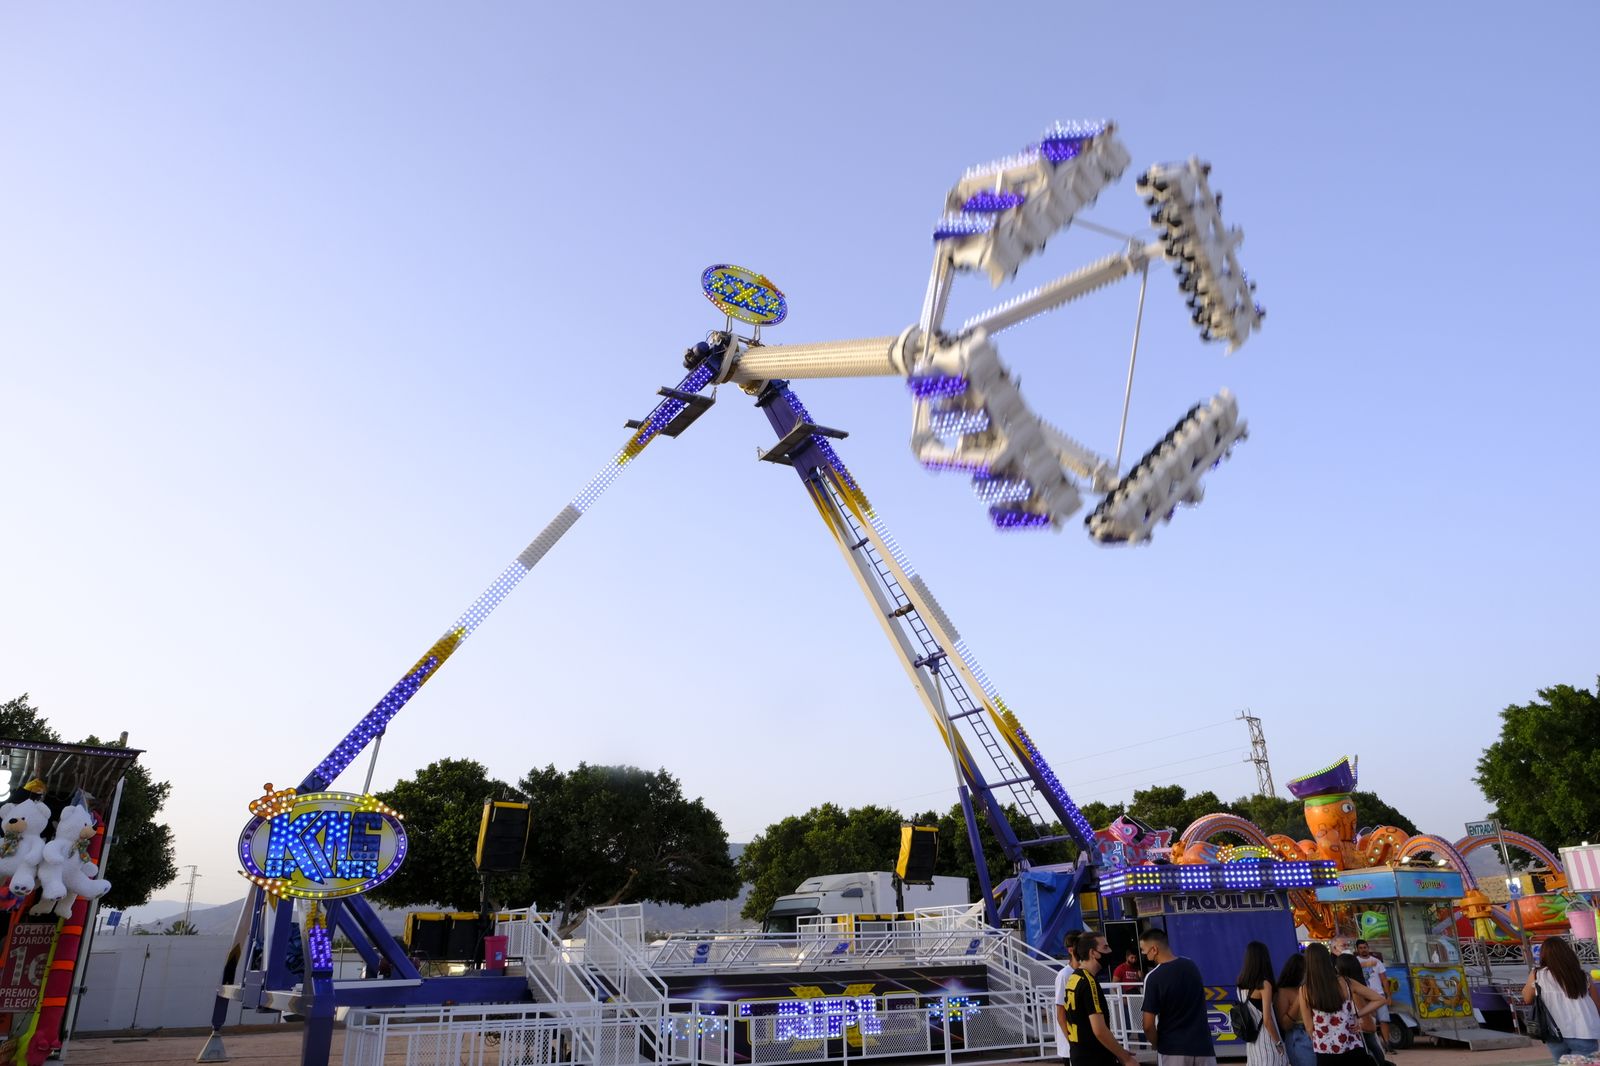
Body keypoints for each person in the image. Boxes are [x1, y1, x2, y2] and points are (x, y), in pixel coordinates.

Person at [1140, 926, 1218, 1066]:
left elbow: (1148, 1025)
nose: (1144, 955)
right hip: (1203, 1047)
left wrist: (1156, 1043)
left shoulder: (1153, 978)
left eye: (1144, 951)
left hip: (1172, 1049)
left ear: (1154, 949)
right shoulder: (1191, 965)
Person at [1300, 942, 1383, 1066]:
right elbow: (1379, 999)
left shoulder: (1305, 990)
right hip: (1352, 1045)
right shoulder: (1346, 982)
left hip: (1325, 1051)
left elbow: (1309, 1027)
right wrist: (1357, 1015)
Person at [1064, 932, 1139, 1066]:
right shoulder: (1089, 982)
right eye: (1105, 947)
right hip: (1094, 1058)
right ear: (1093, 953)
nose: (1110, 951)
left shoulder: (1074, 977)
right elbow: (1099, 1029)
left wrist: (1118, 1050)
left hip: (1079, 1056)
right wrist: (1125, 1058)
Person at [1520, 935, 1600, 1059]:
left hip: (1555, 1033)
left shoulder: (1537, 974)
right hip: (1585, 1032)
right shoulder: (1583, 976)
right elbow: (1597, 1005)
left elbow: (1526, 998)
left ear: (1543, 955)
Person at [1335, 953, 1391, 1066]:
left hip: (1367, 1048)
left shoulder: (1354, 992)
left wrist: (1353, 1019)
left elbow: (1370, 1027)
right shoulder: (1358, 988)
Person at [1238, 940, 1287, 1066]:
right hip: (1267, 1044)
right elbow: (1267, 1020)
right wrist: (1278, 1043)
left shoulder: (1240, 984)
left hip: (1252, 1045)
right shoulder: (1264, 985)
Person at [1277, 953, 1315, 1066]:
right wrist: (1300, 997)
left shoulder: (1312, 988)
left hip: (1315, 1032)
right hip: (1298, 1035)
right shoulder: (1283, 992)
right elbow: (1285, 1025)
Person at [1353, 940, 1391, 1050]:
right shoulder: (1355, 962)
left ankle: (1387, 1044)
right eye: (1361, 948)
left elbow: (1384, 979)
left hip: (1379, 995)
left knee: (1384, 1020)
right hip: (1364, 996)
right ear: (1357, 949)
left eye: (1365, 947)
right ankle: (1375, 1046)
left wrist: (1388, 996)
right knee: (1369, 1022)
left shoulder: (1377, 961)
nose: (1363, 950)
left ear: (1368, 948)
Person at [1056, 930, 1084, 1061]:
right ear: (1071, 950)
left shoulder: (1085, 972)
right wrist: (1071, 1041)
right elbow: (1060, 1013)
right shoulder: (1064, 975)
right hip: (1072, 1046)